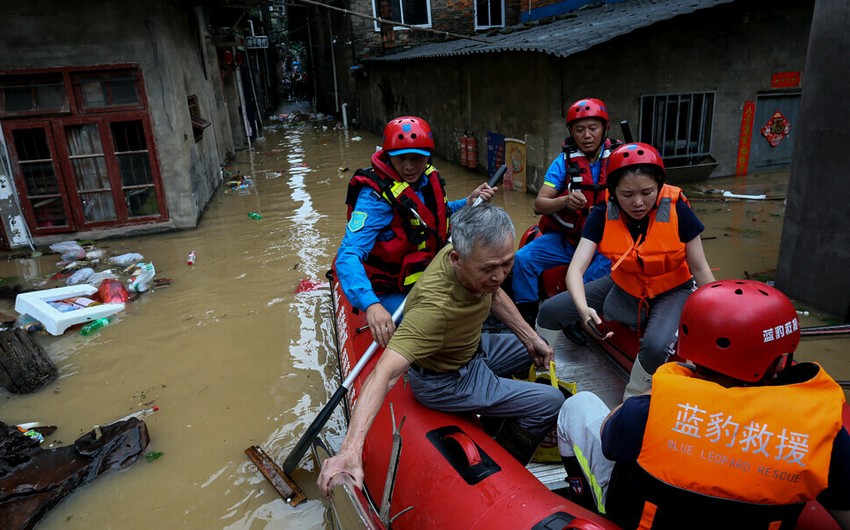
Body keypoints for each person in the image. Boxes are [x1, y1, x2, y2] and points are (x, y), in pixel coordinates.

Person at [555, 280, 850, 530]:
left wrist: (664, 387)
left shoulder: (647, 412)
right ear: (777, 365)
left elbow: (609, 435)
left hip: (643, 519)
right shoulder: (823, 434)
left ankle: (582, 501)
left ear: (689, 351)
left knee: (577, 405)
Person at [318, 204, 565, 496]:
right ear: (457, 259)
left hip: (471, 345)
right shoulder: (434, 310)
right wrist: (350, 449)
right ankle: (507, 462)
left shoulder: (472, 261)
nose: (500, 276)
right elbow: (383, 374)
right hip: (447, 380)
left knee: (535, 348)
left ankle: (500, 408)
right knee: (550, 400)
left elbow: (493, 292)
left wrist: (529, 337)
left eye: (506, 264)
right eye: (489, 268)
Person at [536, 142, 715, 402]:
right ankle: (542, 377)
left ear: (660, 186)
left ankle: (631, 400)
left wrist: (715, 316)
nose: (638, 202)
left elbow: (700, 268)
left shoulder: (678, 210)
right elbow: (576, 269)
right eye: (627, 195)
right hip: (625, 283)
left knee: (655, 346)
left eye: (647, 192)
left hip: (673, 289)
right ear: (613, 191)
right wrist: (584, 309)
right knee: (550, 311)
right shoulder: (601, 213)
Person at [336, 116, 496, 346]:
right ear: (389, 158)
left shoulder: (426, 179)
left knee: (485, 287)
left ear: (427, 157)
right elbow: (348, 254)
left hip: (428, 273)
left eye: (417, 159)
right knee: (433, 324)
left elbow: (436, 217)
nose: (409, 167)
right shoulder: (374, 200)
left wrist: (467, 203)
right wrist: (371, 305)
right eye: (401, 159)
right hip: (391, 290)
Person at [510, 98, 621, 326]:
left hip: (605, 245)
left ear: (605, 129)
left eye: (593, 128)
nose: (587, 135)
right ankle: (528, 319)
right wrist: (565, 201)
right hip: (568, 240)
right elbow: (539, 204)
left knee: (590, 281)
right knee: (522, 259)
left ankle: (581, 322)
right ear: (572, 132)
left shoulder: (619, 159)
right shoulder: (563, 162)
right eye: (580, 130)